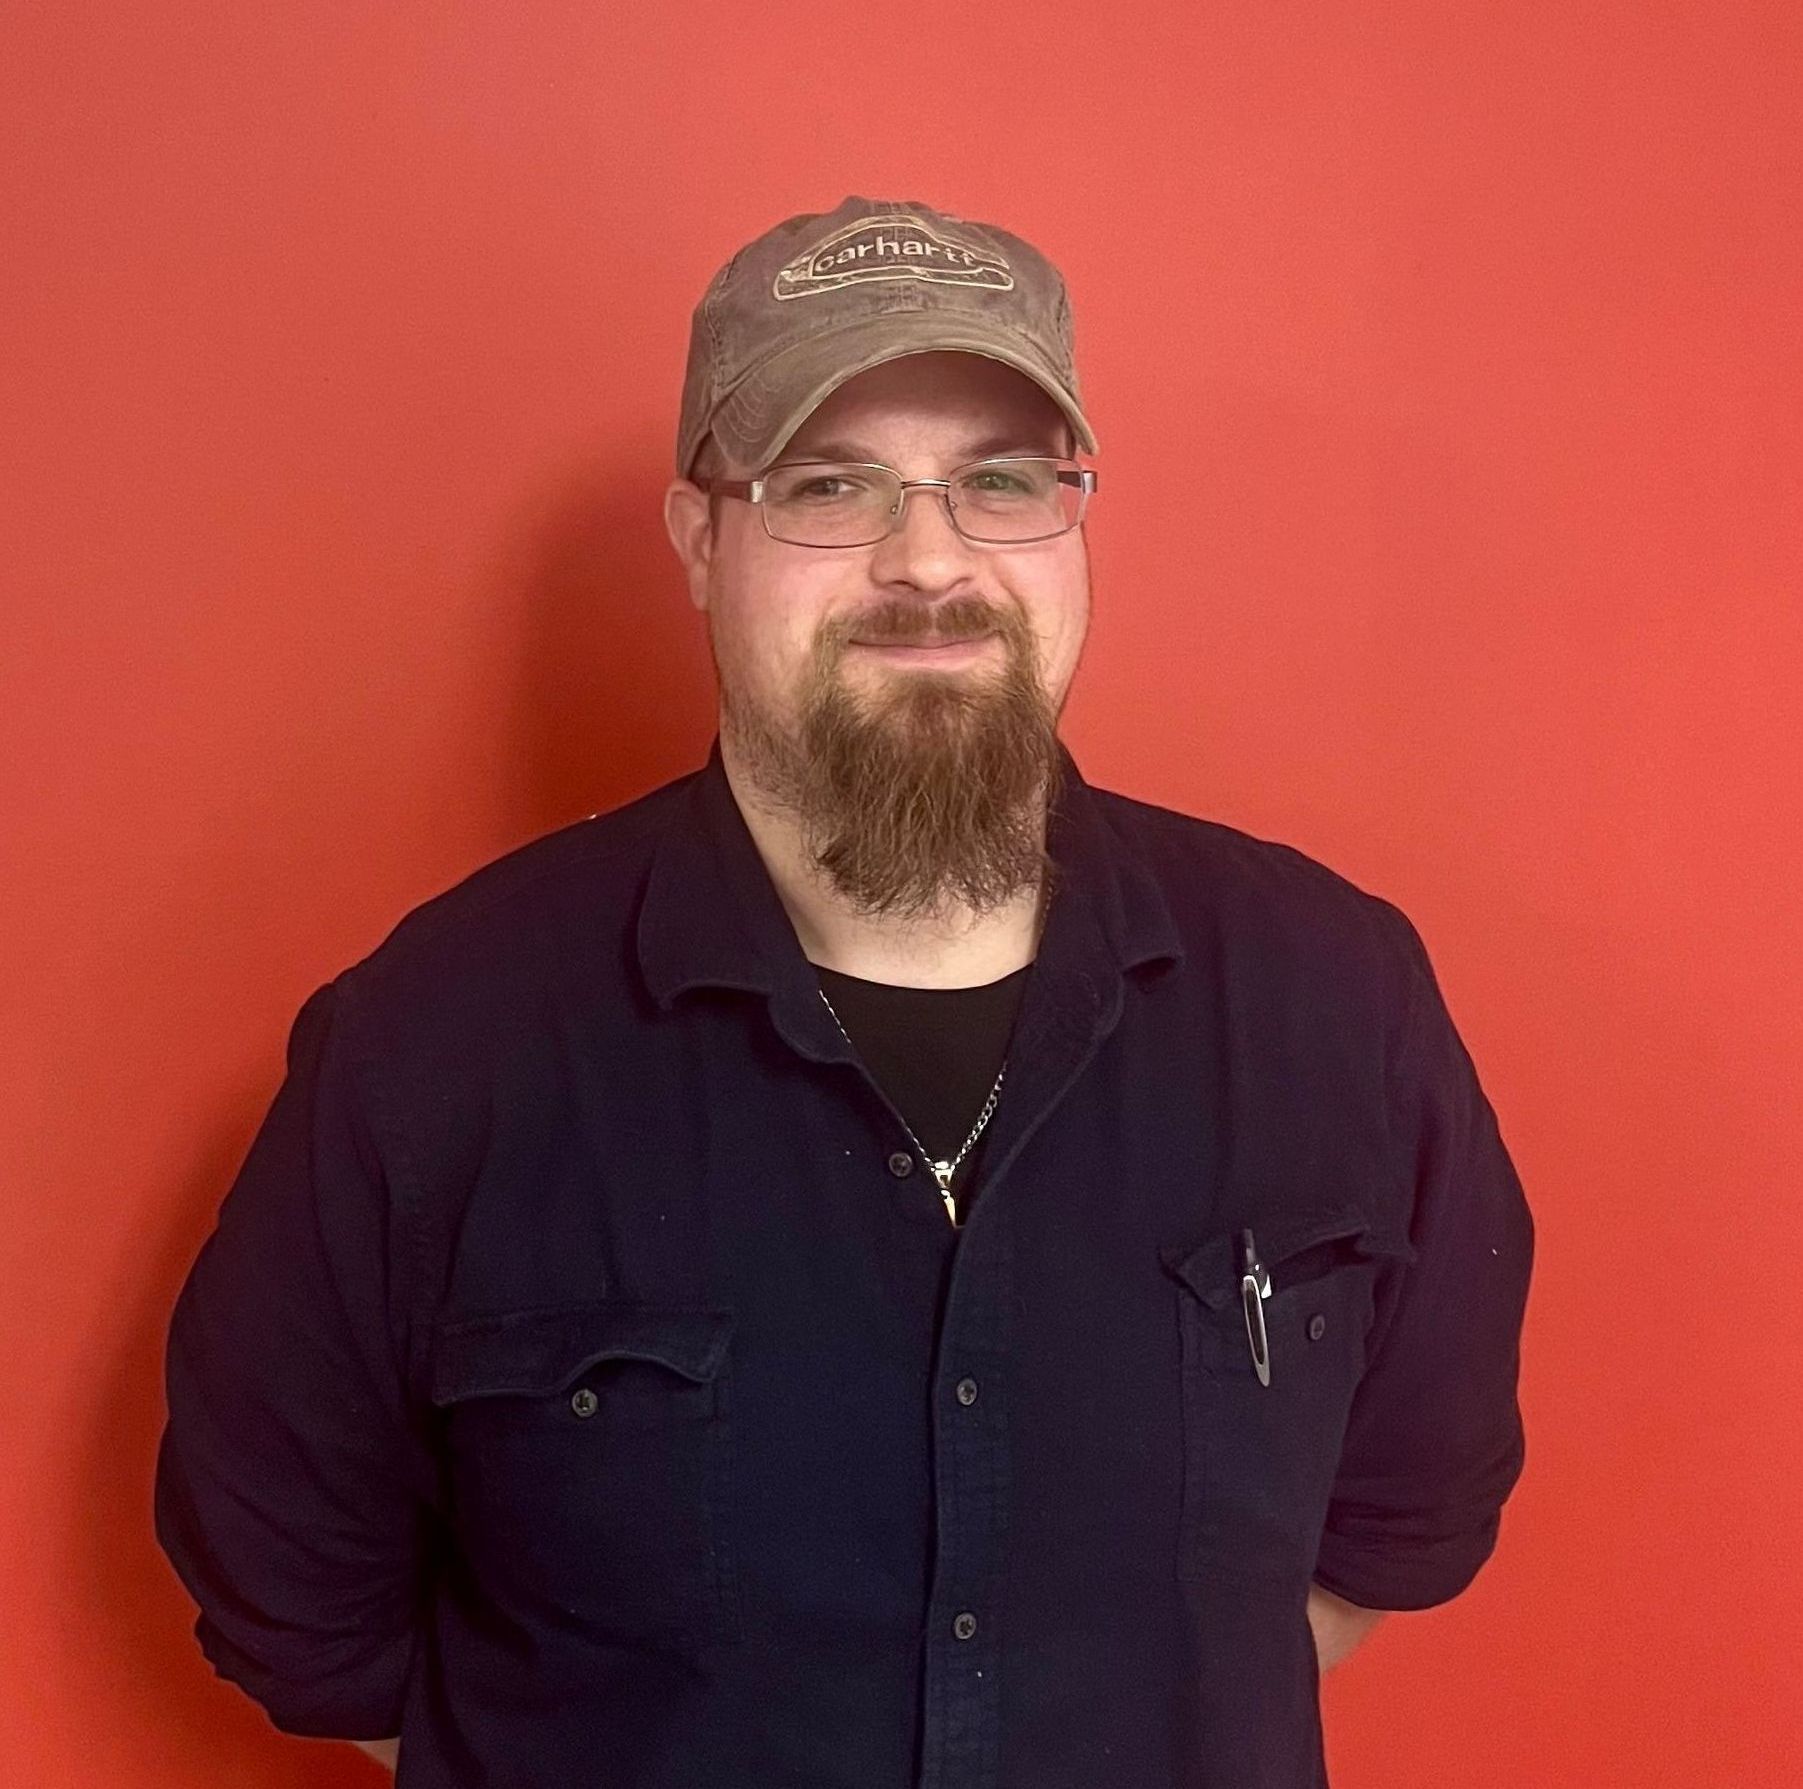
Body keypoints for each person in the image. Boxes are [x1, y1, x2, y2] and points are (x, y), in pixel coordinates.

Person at [154, 196, 1534, 1788]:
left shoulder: (1336, 1001)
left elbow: (1402, 1515)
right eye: (829, 485)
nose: (929, 558)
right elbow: (297, 1600)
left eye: (1001, 481)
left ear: (1074, 519)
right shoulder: (430, 1046)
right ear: (699, 538)